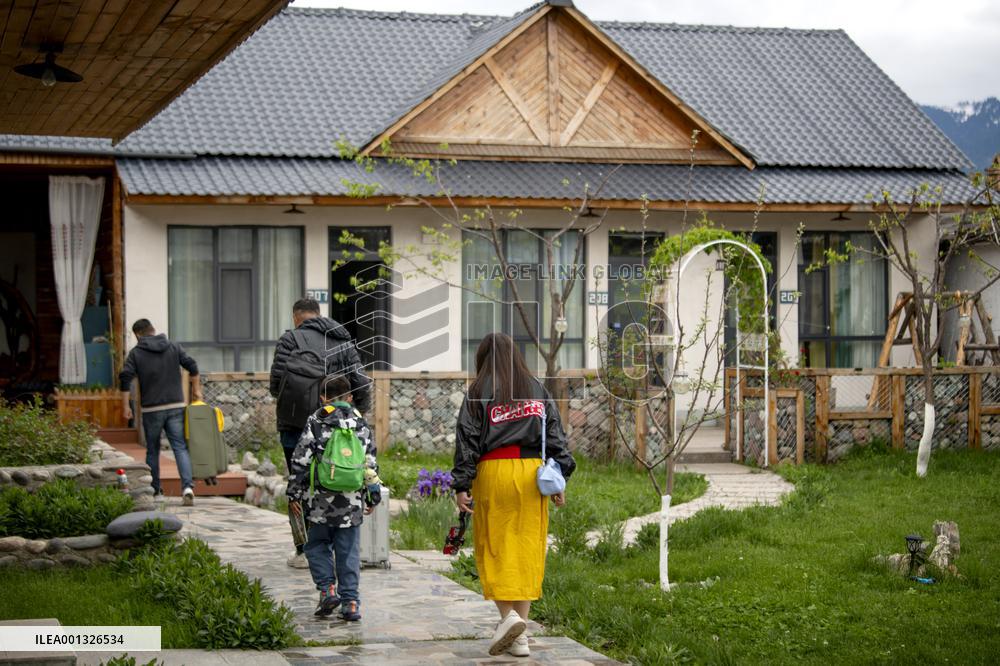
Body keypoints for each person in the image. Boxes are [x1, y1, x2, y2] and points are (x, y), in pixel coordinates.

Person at [451, 332, 576, 658]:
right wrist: (560, 478)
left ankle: (508, 619)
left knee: (494, 547)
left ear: (483, 358)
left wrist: (461, 485)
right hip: (531, 476)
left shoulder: (478, 391)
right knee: (525, 550)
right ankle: (520, 636)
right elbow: (557, 438)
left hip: (493, 474)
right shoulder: (537, 389)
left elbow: (467, 440)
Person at [270, 297, 371, 568]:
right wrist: (357, 416)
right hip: (338, 429)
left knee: (298, 486)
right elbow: (361, 383)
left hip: (294, 426)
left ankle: (304, 550)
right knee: (338, 480)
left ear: (296, 318)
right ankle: (339, 548)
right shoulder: (343, 340)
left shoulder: (290, 340)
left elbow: (276, 383)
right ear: (318, 315)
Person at [286, 374, 380, 622]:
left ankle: (327, 589)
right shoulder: (361, 422)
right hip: (352, 501)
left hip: (319, 500)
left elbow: (302, 458)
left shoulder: (317, 420)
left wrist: (294, 492)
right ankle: (350, 603)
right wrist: (372, 494)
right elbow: (369, 461)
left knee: (316, 545)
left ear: (322, 397)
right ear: (349, 397)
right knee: (348, 551)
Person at [119, 318, 202, 506]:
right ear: (153, 330)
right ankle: (187, 487)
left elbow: (125, 378)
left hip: (151, 409)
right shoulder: (173, 346)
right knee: (179, 446)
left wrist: (126, 407)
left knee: (153, 450)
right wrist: (197, 390)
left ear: (137, 334)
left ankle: (156, 490)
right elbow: (193, 366)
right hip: (175, 405)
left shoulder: (136, 353)